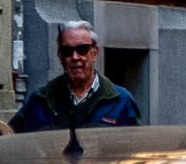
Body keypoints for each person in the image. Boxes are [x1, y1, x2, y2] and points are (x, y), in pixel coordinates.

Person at [14, 21, 144, 131]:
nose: (75, 57)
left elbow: (135, 151)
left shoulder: (121, 101)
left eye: (82, 49)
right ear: (60, 56)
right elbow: (11, 139)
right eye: (67, 51)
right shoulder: (40, 100)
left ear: (94, 53)